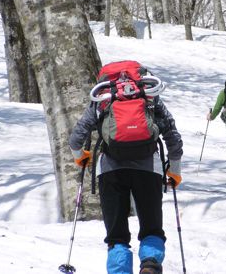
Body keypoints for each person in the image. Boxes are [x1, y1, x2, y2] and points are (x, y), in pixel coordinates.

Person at [69, 70, 183, 274]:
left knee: (117, 235)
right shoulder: (148, 96)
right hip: (149, 169)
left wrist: (80, 156)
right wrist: (174, 170)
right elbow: (172, 135)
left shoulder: (103, 98)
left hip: (110, 171)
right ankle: (150, 264)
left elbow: (76, 138)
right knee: (152, 226)